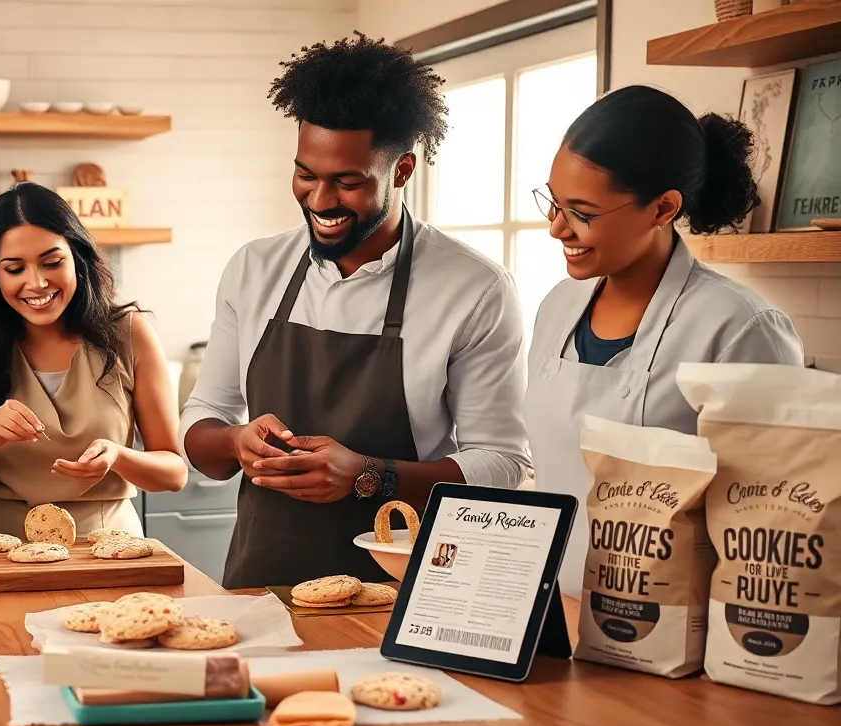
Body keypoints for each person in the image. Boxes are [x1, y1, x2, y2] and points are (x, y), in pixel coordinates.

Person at [180, 33, 532, 589]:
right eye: (306, 174)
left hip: (405, 591)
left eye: (347, 182)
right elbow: (204, 424)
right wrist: (233, 441)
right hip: (260, 584)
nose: (320, 202)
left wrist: (372, 475)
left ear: (402, 170)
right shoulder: (254, 268)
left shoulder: (473, 288)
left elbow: (505, 466)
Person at [524, 85, 804, 594]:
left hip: (670, 629)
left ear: (662, 209)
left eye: (582, 213)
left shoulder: (739, 326)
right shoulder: (556, 308)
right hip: (548, 614)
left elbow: (773, 522)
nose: (556, 228)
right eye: (554, 202)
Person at [0, 183, 187, 538]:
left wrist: (119, 457)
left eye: (52, 263)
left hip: (106, 542)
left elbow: (174, 473)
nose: (37, 283)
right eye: (14, 269)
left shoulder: (129, 333)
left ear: (77, 258)